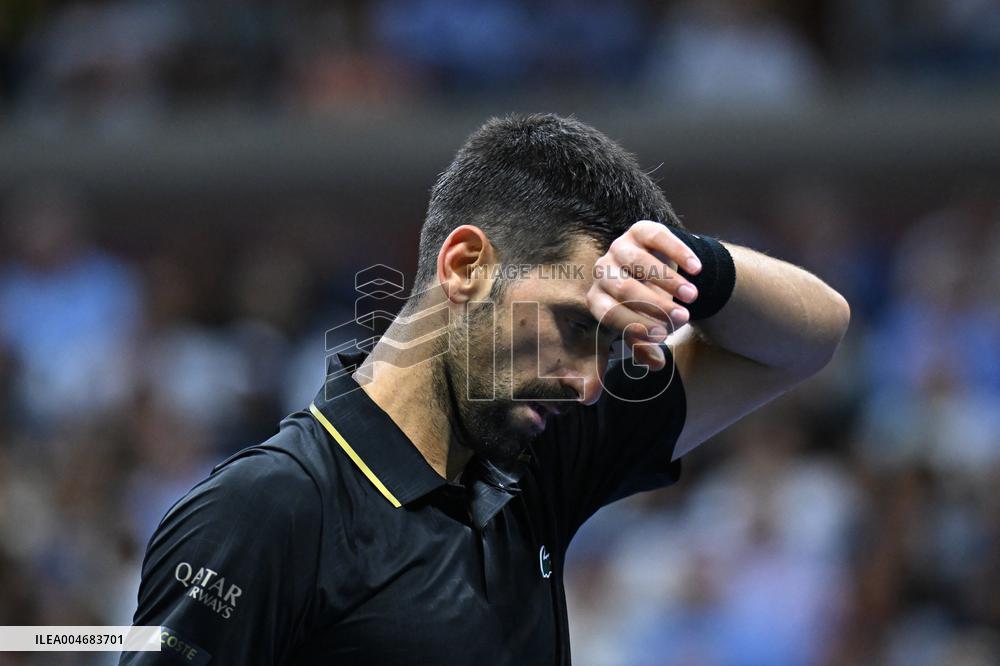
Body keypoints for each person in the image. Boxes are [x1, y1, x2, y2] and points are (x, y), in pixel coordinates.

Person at [120, 114, 850, 665]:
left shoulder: (538, 460)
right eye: (571, 325)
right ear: (465, 265)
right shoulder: (265, 512)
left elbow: (809, 337)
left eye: (606, 347)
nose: (590, 386)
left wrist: (697, 266)